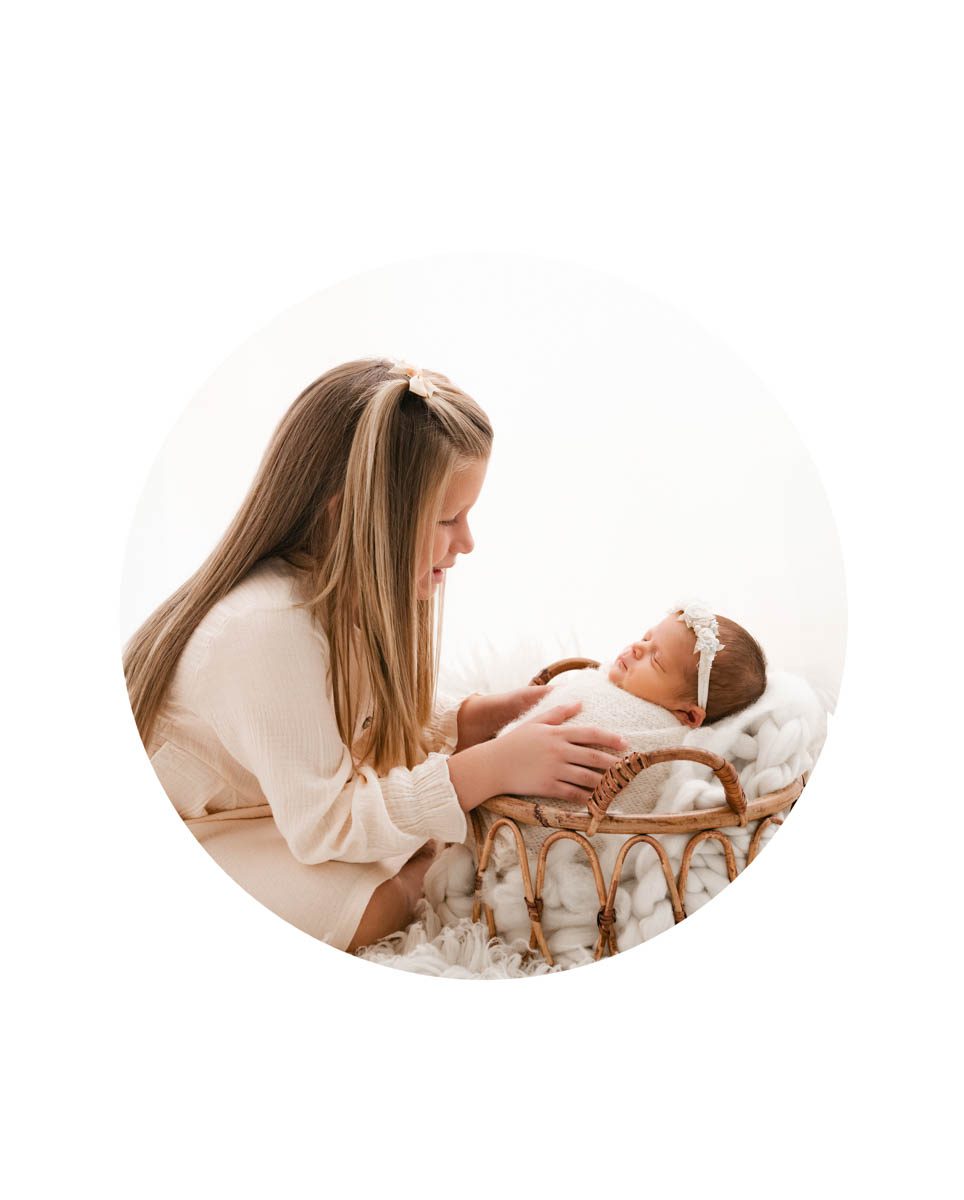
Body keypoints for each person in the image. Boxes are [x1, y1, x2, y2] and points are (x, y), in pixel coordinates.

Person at [123, 357, 627, 953]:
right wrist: (486, 769)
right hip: (189, 833)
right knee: (357, 905)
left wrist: (470, 720)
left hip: (263, 807)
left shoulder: (341, 599)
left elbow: (349, 720)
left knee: (398, 831)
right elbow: (326, 825)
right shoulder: (267, 630)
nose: (467, 542)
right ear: (348, 518)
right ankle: (416, 878)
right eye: (448, 519)